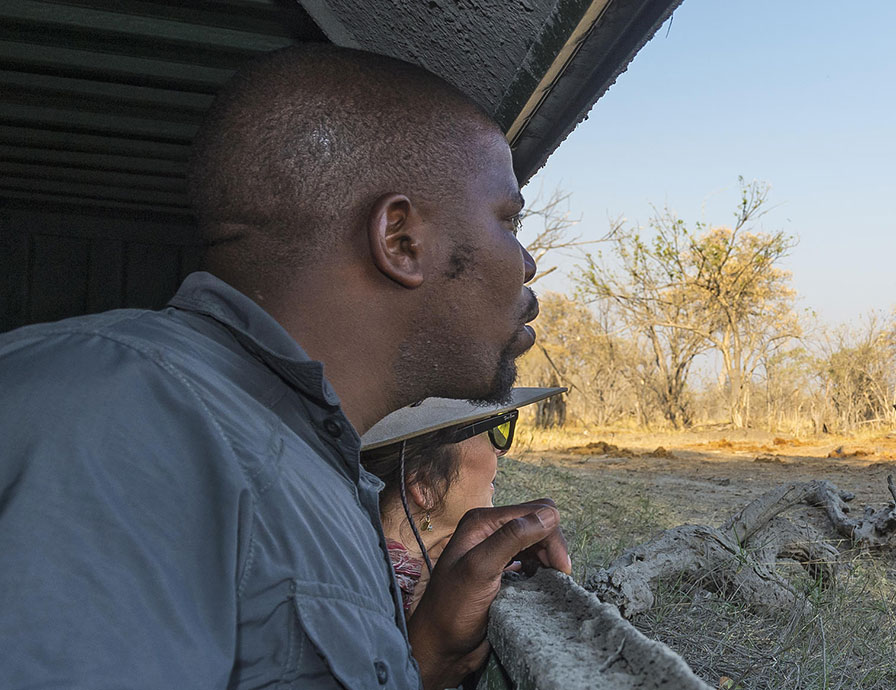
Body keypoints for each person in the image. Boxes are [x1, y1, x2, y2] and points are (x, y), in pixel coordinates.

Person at [0, 45, 569, 689]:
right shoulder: (120, 424)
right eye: (508, 220)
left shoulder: (302, 460)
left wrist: (425, 659)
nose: (525, 264)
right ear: (401, 241)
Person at [360, 388, 566, 612]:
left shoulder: (362, 561)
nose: (501, 450)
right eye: (494, 430)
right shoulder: (375, 602)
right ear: (426, 483)